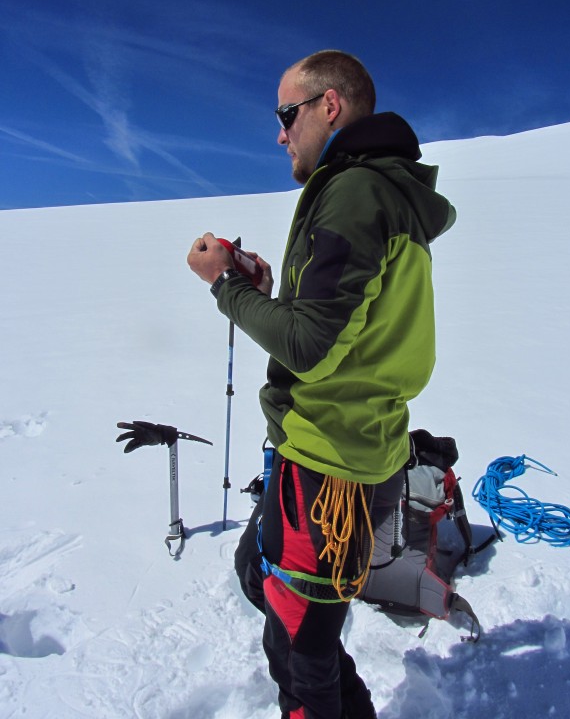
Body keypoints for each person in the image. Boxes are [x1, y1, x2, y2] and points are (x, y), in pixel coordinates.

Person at [187, 50, 456, 719]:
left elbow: (311, 345)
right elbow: (342, 325)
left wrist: (224, 287)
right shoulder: (385, 191)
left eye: (287, 114)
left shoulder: (354, 190)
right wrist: (265, 290)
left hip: (328, 470)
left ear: (328, 106)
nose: (280, 134)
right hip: (352, 451)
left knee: (299, 652)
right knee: (266, 585)